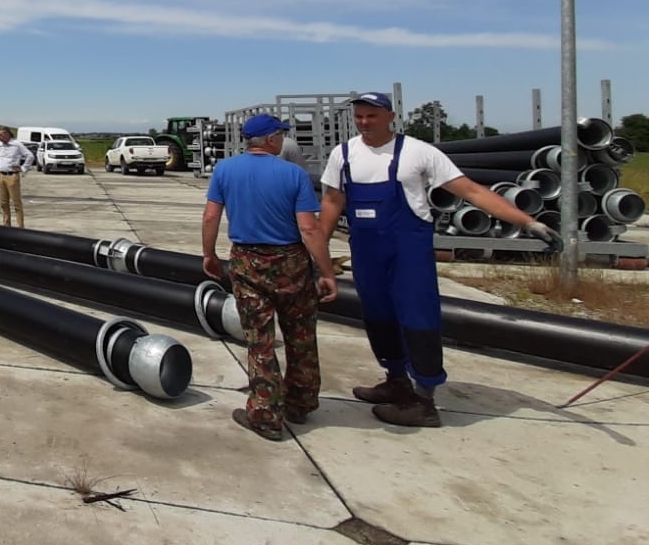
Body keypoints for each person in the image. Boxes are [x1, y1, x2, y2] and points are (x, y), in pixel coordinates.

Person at [319, 91, 562, 428]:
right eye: (359, 116)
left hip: (408, 252)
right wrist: (319, 254)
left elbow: (473, 191)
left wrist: (528, 222)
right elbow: (332, 202)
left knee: (419, 319)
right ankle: (396, 380)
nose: (364, 123)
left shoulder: (418, 152)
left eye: (371, 116)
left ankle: (425, 400)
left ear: (390, 117)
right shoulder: (344, 154)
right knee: (377, 316)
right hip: (367, 253)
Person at [202, 113, 339, 441]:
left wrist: (208, 254)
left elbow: (210, 216)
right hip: (291, 261)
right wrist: (326, 270)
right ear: (273, 139)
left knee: (259, 341)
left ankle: (265, 414)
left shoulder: (225, 170)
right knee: (301, 335)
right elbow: (309, 227)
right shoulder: (293, 174)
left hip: (248, 262)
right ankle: (301, 403)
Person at [0, 127, 33, 227]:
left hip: (12, 176)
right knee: (3, 203)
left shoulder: (17, 144)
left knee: (16, 203)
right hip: (1, 175)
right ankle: (6, 224)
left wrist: (23, 168)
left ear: (7, 134)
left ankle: (20, 226)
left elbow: (30, 155)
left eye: (1, 135)